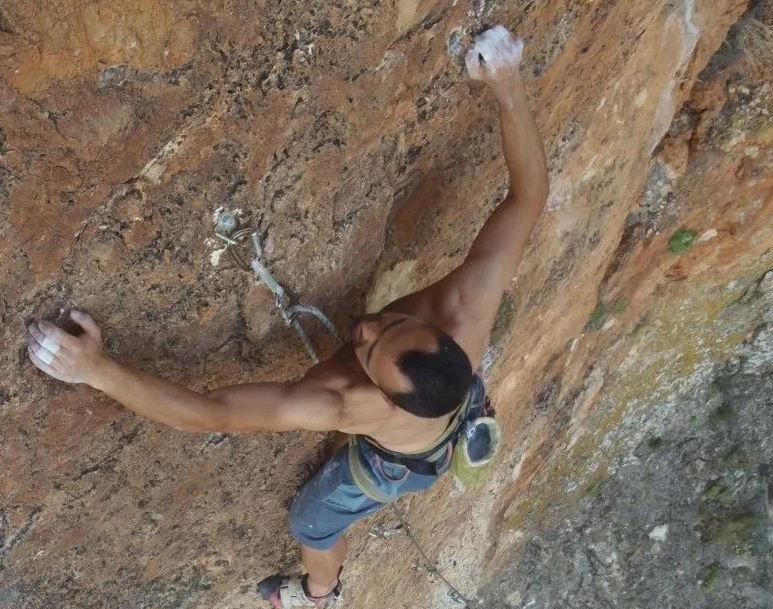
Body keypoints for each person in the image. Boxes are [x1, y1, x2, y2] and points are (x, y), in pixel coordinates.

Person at [26, 25, 548, 609]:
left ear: (377, 390)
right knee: (436, 398)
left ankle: (320, 592)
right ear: (440, 335)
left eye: (369, 353)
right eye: (395, 325)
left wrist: (96, 369)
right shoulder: (466, 307)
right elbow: (528, 197)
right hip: (455, 398)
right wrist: (507, 82)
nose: (368, 328)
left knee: (312, 524)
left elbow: (214, 414)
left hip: (402, 461)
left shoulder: (337, 404)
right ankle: (464, 427)